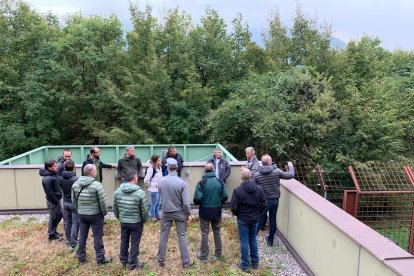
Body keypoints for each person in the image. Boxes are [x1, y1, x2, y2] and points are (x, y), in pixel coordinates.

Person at [156, 158, 193, 268]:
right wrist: (188, 214)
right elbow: (186, 203)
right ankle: (186, 262)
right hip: (179, 212)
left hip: (166, 212)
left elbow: (161, 195)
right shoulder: (182, 182)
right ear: (176, 168)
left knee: (163, 236)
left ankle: (160, 260)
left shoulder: (161, 181)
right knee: (181, 236)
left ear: (168, 167)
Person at [72, 164, 112, 265]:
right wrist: (104, 213)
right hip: (96, 215)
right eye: (95, 171)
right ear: (92, 172)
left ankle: (81, 257)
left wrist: (79, 210)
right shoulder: (97, 185)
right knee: (97, 237)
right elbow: (102, 202)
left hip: (82, 214)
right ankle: (100, 259)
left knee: (82, 236)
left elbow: (74, 201)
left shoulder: (75, 185)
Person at [253, 154, 295, 247]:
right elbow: (290, 175)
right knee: (273, 219)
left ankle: (252, 238)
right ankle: (270, 241)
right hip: (274, 200)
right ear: (270, 162)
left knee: (259, 218)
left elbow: (253, 188)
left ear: (262, 163)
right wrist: (291, 166)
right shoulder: (276, 172)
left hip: (262, 201)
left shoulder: (256, 174)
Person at [231, 168, 267, 273]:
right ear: (251, 176)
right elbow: (264, 204)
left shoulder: (237, 190)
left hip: (243, 219)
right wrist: (258, 214)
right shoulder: (259, 189)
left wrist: (238, 214)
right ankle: (255, 263)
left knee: (244, 241)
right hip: (254, 219)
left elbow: (233, 207)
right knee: (253, 240)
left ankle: (245, 264)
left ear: (241, 178)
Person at [113, 169, 148, 270]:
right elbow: (144, 210)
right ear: (134, 178)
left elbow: (115, 208)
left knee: (124, 241)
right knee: (134, 243)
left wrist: (120, 218)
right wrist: (143, 220)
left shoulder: (118, 191)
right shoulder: (140, 193)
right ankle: (133, 263)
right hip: (136, 222)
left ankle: (124, 260)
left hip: (124, 222)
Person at [193, 163, 228, 263]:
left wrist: (203, 200)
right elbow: (225, 196)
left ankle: (203, 255)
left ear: (204, 170)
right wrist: (218, 201)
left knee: (204, 233)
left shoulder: (201, 183)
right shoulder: (220, 182)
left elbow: (197, 199)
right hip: (217, 210)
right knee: (217, 231)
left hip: (204, 211)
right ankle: (218, 253)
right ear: (213, 170)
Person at [39, 159, 63, 241]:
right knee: (53, 217)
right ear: (49, 168)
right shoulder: (47, 179)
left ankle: (54, 231)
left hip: (56, 200)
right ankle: (51, 235)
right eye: (55, 166)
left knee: (59, 215)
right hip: (53, 201)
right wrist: (56, 201)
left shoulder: (53, 174)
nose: (57, 167)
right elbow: (49, 193)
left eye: (57, 165)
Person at [59, 160, 80, 251]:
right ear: (73, 168)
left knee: (68, 222)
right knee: (75, 223)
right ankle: (73, 243)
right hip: (74, 203)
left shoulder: (60, 178)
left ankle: (68, 238)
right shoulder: (76, 179)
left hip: (65, 202)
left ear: (64, 168)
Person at [144, 155, 163, 221]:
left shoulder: (160, 168)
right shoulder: (151, 169)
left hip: (159, 188)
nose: (160, 161)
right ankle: (152, 215)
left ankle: (157, 215)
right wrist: (150, 186)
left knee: (158, 203)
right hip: (153, 189)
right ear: (155, 161)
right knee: (154, 203)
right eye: (158, 160)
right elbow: (146, 180)